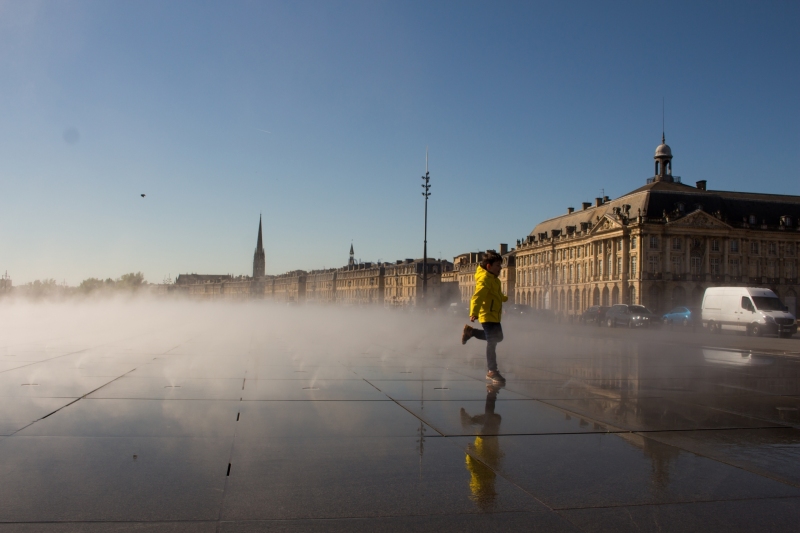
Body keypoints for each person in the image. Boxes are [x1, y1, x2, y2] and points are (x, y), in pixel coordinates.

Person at [461, 251, 507, 384]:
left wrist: (503, 298)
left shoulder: (494, 280)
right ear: (489, 266)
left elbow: (495, 294)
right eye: (498, 265)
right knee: (492, 342)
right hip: (487, 315)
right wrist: (473, 312)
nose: (500, 268)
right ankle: (492, 371)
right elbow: (477, 296)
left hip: (494, 315)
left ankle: (471, 332)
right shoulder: (485, 279)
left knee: (499, 338)